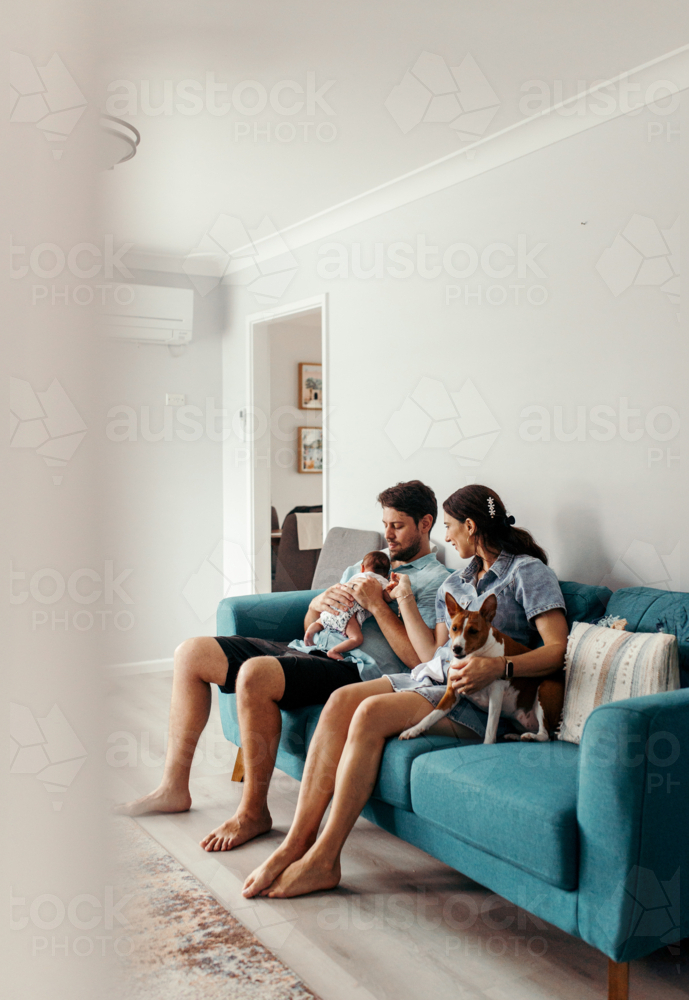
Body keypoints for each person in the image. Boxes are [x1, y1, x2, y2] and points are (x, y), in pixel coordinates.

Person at [241, 484, 569, 899]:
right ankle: (295, 844)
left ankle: (325, 857)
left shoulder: (528, 573)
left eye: (450, 528)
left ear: (471, 526)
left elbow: (558, 651)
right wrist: (402, 604)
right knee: (342, 700)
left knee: (369, 714)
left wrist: (498, 666)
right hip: (433, 677)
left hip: (483, 697)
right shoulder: (458, 581)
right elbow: (431, 654)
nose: (447, 538)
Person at [115, 480, 450, 854]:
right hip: (307, 648)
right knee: (190, 653)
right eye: (385, 523)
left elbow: (421, 661)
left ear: (425, 524)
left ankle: (252, 813)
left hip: (353, 669)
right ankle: (173, 788)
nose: (386, 534)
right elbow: (311, 616)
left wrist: (376, 606)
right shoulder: (362, 564)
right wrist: (319, 602)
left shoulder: (436, 582)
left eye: (397, 525)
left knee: (255, 675)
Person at [303, 550, 392, 660]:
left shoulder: (356, 576)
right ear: (387, 575)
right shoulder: (381, 581)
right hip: (348, 614)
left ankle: (309, 633)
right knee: (356, 639)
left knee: (321, 622)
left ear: (362, 568)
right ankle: (334, 651)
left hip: (333, 607)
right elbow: (387, 597)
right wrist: (392, 589)